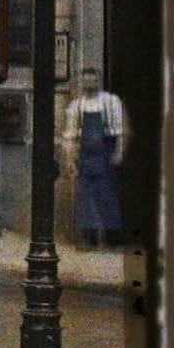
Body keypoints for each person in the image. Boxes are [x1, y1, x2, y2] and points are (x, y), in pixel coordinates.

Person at [64, 64, 126, 248]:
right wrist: (70, 161)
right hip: (85, 159)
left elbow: (120, 131)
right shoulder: (77, 106)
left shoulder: (109, 102)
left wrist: (119, 151)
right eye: (85, 79)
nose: (89, 82)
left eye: (92, 78)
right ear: (82, 82)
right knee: (86, 200)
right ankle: (88, 240)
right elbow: (70, 136)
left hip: (105, 158)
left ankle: (112, 239)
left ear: (98, 81)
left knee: (107, 198)